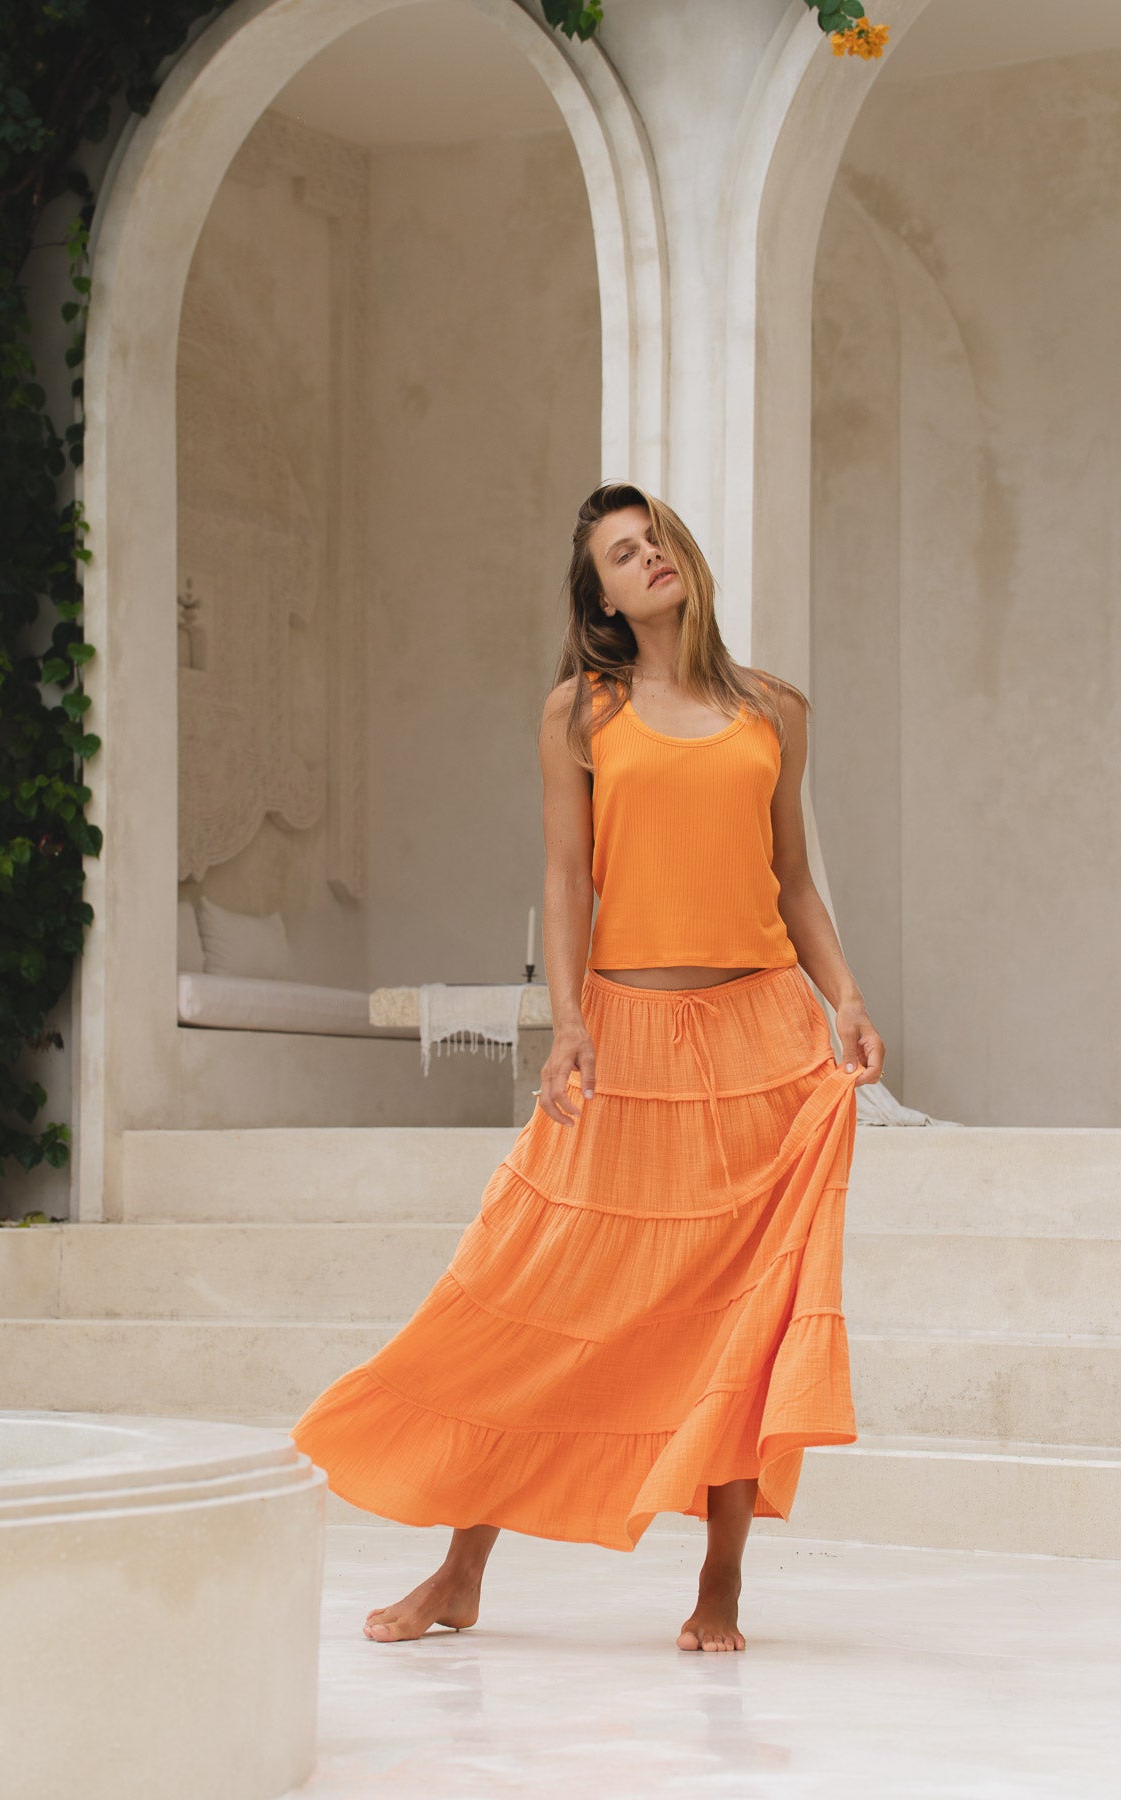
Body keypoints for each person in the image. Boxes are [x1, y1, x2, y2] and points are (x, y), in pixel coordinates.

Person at [291, 480, 885, 1652]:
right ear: (601, 596)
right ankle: (459, 1570)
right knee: (541, 1294)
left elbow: (794, 883)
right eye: (623, 551)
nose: (649, 555)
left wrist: (848, 1002)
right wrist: (568, 1024)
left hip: (765, 1045)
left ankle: (720, 1585)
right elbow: (568, 883)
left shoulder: (775, 710)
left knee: (743, 1318)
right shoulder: (582, 713)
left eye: (656, 535)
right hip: (629, 1041)